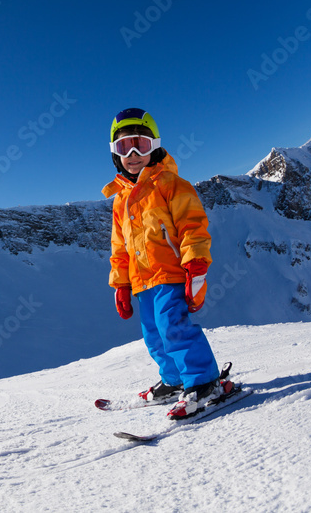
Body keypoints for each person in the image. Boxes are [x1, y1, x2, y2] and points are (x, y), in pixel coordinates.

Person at [101, 107, 232, 419]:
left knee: (173, 327)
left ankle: (203, 381)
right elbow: (119, 247)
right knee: (153, 334)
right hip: (142, 280)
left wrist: (196, 265)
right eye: (124, 147)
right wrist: (120, 283)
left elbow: (193, 227)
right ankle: (174, 380)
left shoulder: (171, 185)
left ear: (155, 147)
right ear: (114, 154)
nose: (133, 154)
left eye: (141, 145)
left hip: (171, 273)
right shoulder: (120, 200)